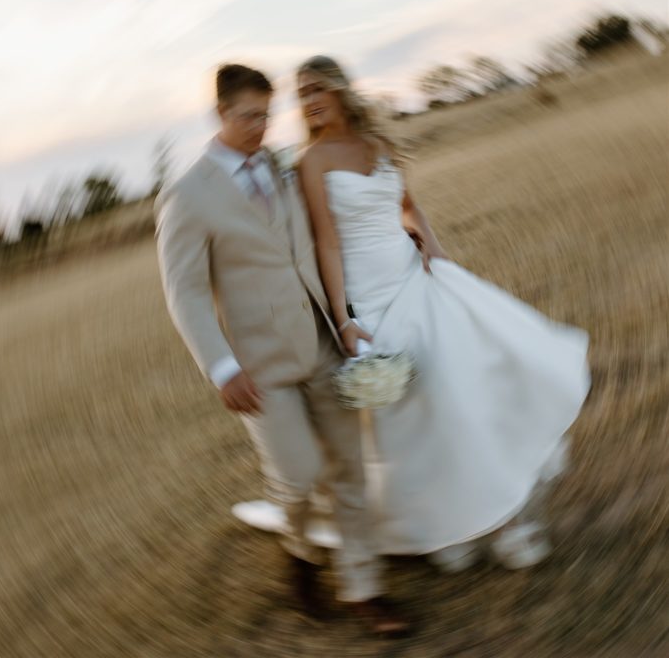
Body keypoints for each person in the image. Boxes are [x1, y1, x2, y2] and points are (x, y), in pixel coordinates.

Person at [235, 55, 590, 569]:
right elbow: (327, 245)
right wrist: (346, 318)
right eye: (301, 94)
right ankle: (446, 525)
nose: (309, 100)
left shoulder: (376, 145)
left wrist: (436, 252)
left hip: (416, 282)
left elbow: (408, 207)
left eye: (316, 88)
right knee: (416, 419)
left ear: (339, 90)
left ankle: (508, 520)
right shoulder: (311, 160)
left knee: (466, 394)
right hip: (370, 300)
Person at [155, 63, 408, 637]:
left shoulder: (281, 166)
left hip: (321, 344)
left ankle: (366, 591)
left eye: (266, 116)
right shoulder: (187, 196)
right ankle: (299, 557)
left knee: (349, 470)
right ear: (220, 115)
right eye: (247, 117)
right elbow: (185, 293)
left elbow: (323, 235)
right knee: (297, 475)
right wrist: (221, 367)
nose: (260, 128)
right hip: (259, 367)